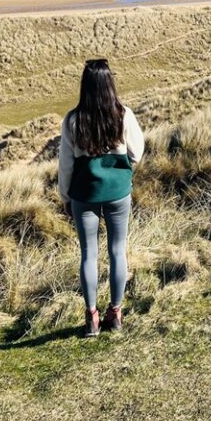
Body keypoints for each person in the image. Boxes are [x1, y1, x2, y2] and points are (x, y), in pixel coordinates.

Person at [58, 58, 145, 337]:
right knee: (118, 251)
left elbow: (66, 165)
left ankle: (92, 317)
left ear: (85, 85)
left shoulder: (73, 120)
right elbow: (137, 152)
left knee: (89, 254)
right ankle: (116, 313)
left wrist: (65, 197)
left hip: (84, 193)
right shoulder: (123, 114)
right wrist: (124, 170)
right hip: (118, 191)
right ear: (110, 84)